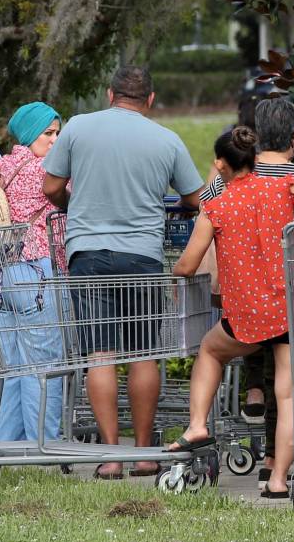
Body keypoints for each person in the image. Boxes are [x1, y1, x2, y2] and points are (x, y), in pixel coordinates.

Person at [42, 66, 205, 479]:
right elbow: (194, 197)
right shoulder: (167, 140)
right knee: (144, 354)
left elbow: (50, 187)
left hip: (88, 256)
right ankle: (147, 452)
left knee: (99, 354)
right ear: (150, 100)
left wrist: (70, 205)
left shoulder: (77, 128)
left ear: (109, 94)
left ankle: (111, 456)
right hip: (143, 258)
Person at [169, 126, 294, 499]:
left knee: (210, 351)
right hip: (289, 307)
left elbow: (187, 265)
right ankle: (279, 479)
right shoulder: (284, 187)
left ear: (220, 164)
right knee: (289, 393)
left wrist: (173, 274)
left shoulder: (215, 207)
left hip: (246, 314)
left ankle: (198, 425)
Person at [201, 98, 294, 489]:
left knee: (251, 361)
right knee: (289, 384)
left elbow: (207, 212)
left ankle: (255, 427)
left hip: (245, 298)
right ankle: (280, 463)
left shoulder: (231, 181)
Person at [0, 102, 64, 444]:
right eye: (48, 133)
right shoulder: (49, 170)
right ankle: (42, 446)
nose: (55, 140)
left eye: (58, 133)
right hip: (36, 273)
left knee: (2, 366)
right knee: (43, 366)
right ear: (31, 134)